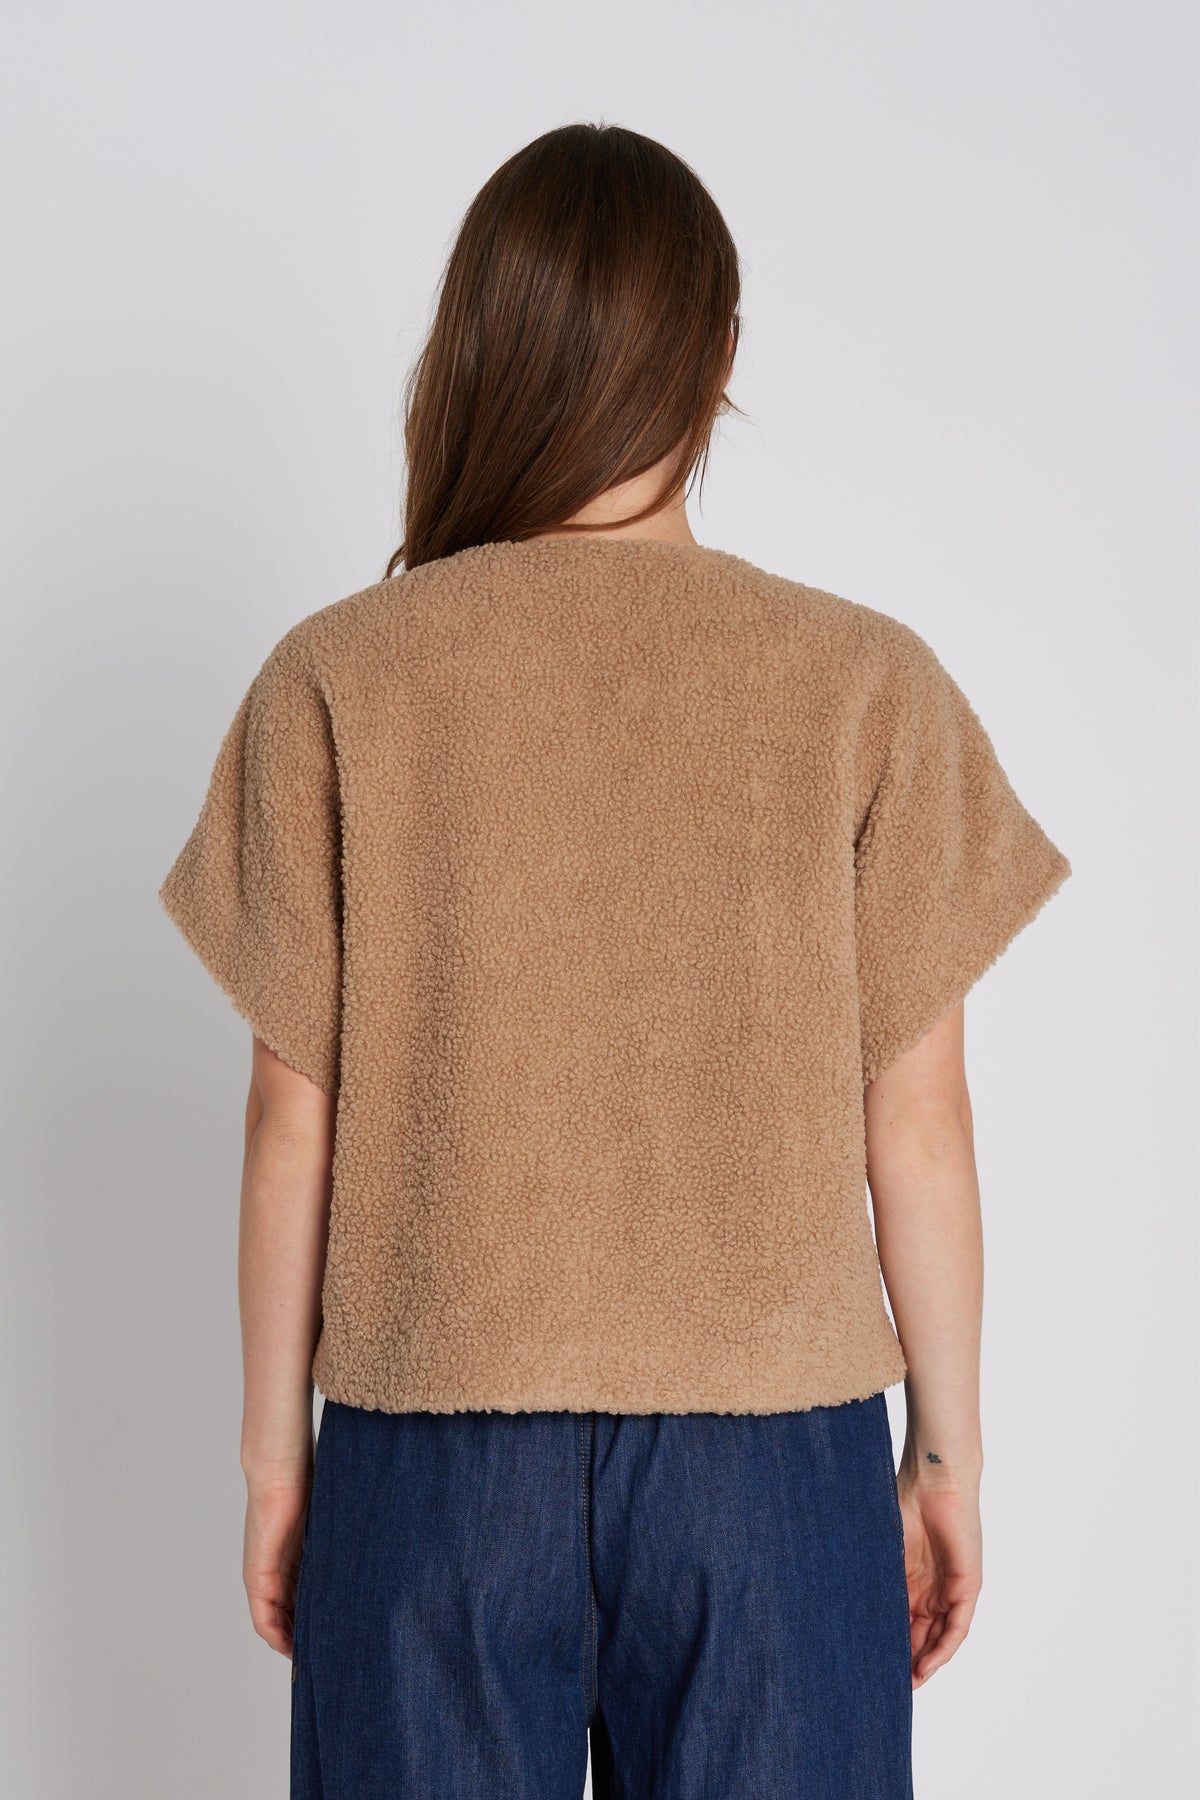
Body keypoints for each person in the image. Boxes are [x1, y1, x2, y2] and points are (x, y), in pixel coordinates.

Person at [158, 122, 1072, 1800]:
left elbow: (293, 1120)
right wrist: (945, 1454)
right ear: (718, 361)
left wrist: (275, 1461)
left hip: (429, 1455)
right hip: (773, 1463)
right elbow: (921, 1125)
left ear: (478, 350)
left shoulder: (342, 678)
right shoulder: (862, 682)